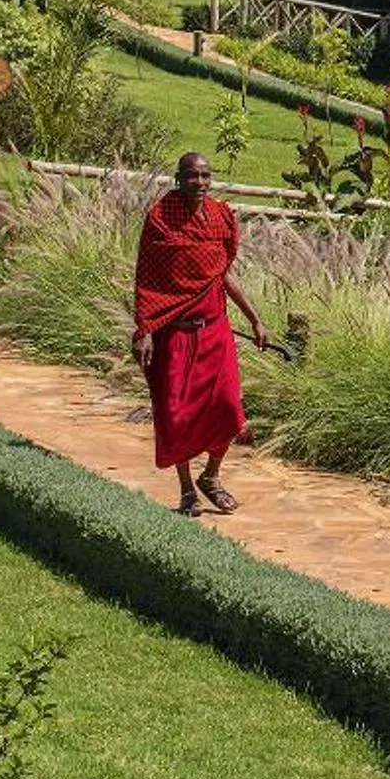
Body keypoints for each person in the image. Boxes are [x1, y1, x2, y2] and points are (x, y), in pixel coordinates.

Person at [131, 151, 269, 515]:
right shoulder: (161, 219)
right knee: (177, 414)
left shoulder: (221, 217)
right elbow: (147, 278)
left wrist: (255, 319)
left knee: (227, 408)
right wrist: (145, 327)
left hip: (215, 332)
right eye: (192, 176)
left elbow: (221, 274)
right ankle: (187, 490)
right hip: (174, 334)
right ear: (179, 179)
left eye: (206, 176)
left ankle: (211, 475)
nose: (200, 183)